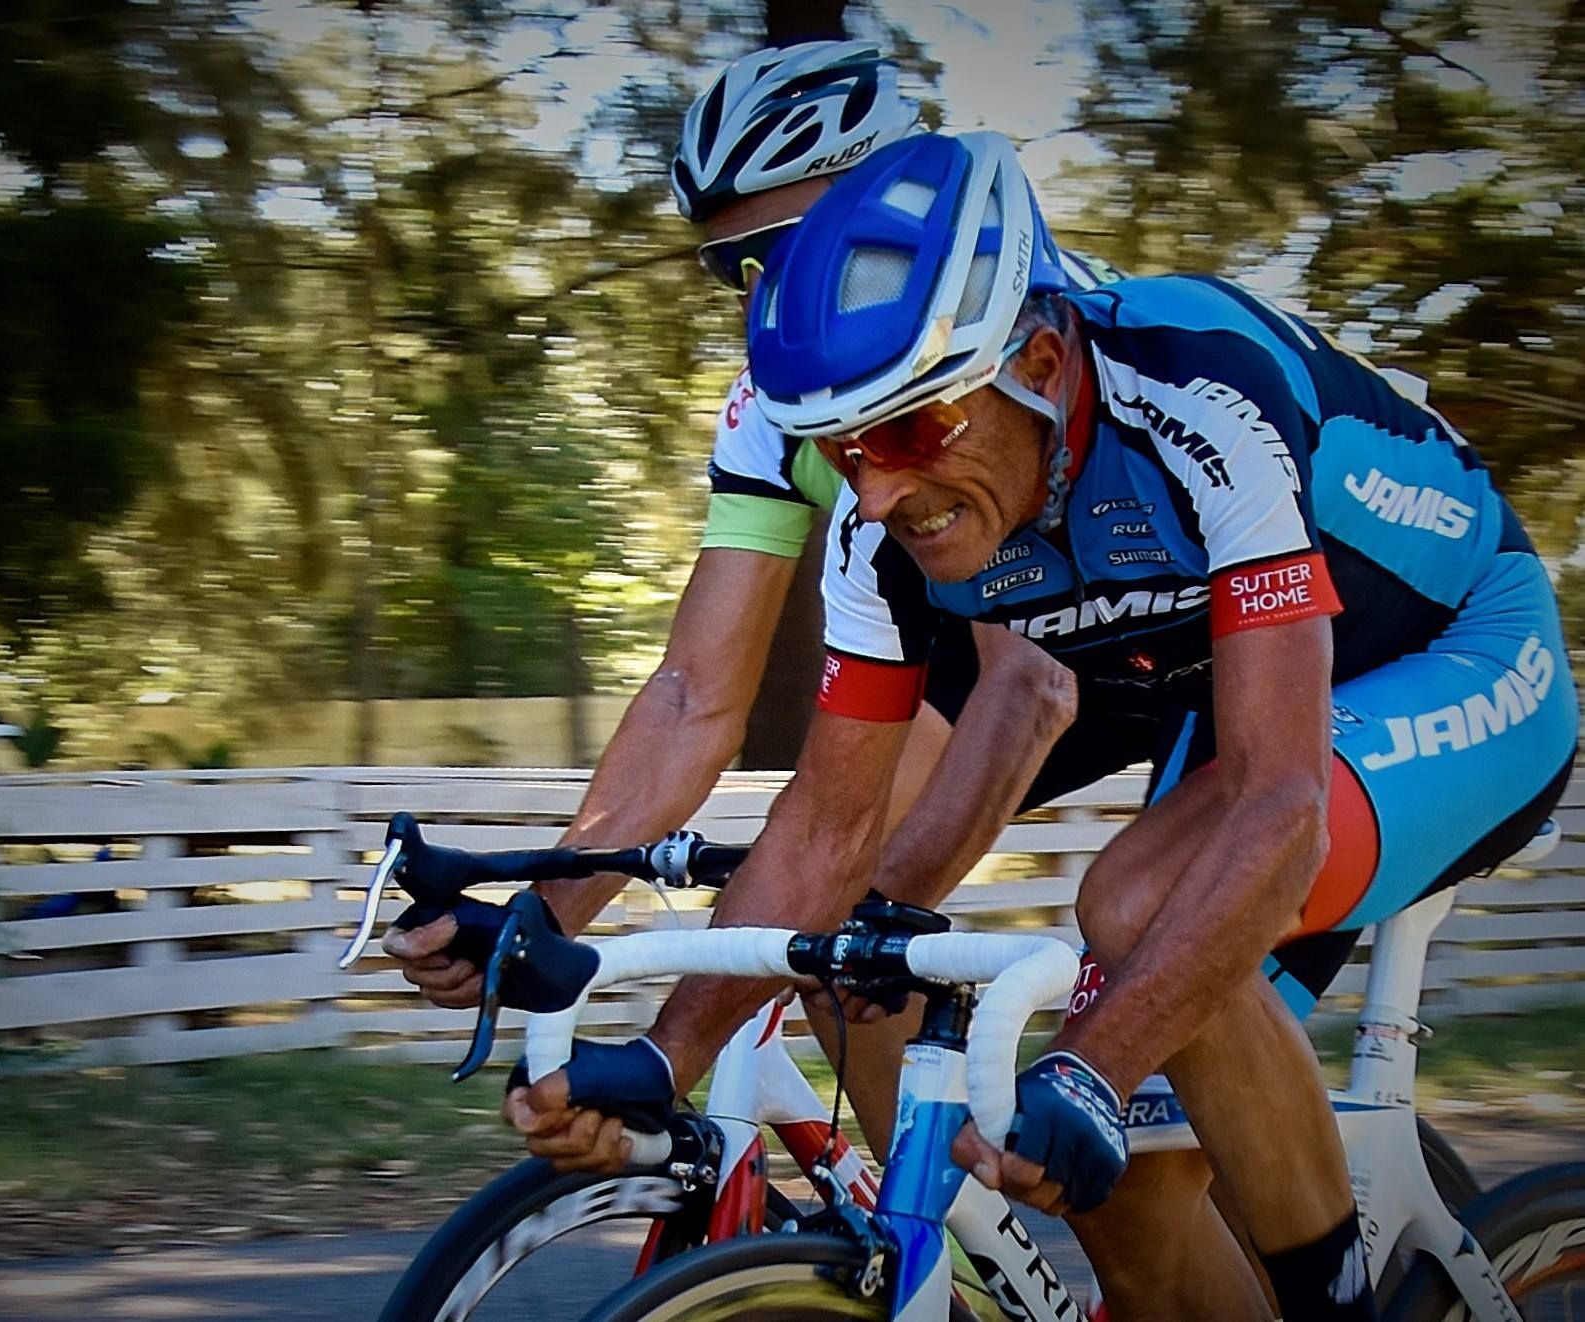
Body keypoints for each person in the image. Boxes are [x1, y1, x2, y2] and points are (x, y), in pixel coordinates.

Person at [508, 129, 1578, 1322]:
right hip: (1266, 702)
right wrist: (663, 1056)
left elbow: (1277, 806)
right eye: (838, 448)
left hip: (1462, 653)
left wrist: (1091, 1064)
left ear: (1040, 357)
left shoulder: (1199, 395)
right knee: (1112, 1185)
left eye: (910, 431)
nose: (874, 491)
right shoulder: (884, 526)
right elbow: (824, 827)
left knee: (1129, 913)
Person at [384, 41, 1118, 1157]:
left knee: (859, 949)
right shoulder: (768, 410)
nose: (768, 296)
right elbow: (692, 696)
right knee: (837, 967)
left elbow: (1030, 688)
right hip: (971, 667)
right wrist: (540, 920)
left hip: (1180, 658)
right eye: (737, 269)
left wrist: (842, 924)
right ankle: (940, 1265)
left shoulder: (986, 345)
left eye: (792, 248)